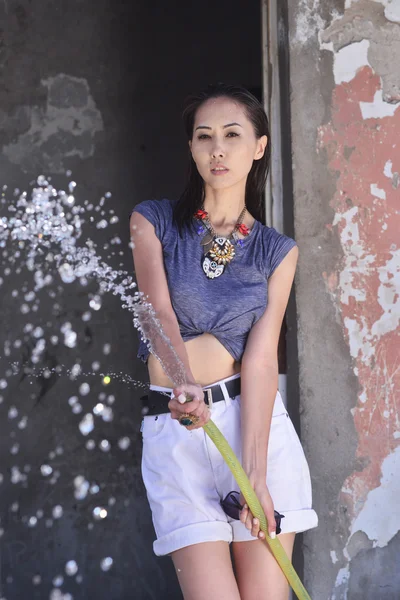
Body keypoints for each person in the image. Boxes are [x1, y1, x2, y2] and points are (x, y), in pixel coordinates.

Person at [130, 82, 318, 600]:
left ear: (258, 147)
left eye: (233, 135)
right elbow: (156, 312)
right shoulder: (153, 221)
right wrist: (185, 384)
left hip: (251, 427)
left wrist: (256, 475)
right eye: (204, 136)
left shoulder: (276, 251)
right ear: (190, 148)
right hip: (177, 428)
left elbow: (260, 361)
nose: (218, 148)